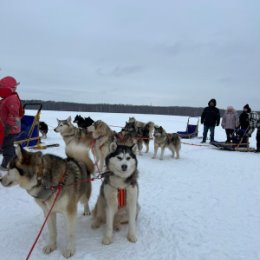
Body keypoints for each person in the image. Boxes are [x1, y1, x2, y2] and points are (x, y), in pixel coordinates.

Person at [0, 76, 24, 173]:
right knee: (5, 145)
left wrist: (9, 127)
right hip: (5, 127)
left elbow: (14, 114)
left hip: (10, 129)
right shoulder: (6, 99)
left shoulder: (12, 99)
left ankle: (7, 165)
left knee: (7, 147)